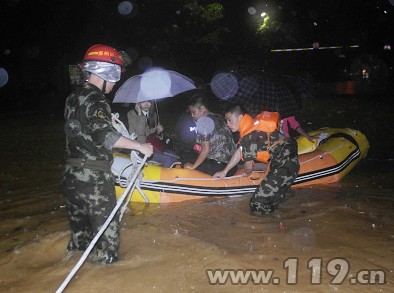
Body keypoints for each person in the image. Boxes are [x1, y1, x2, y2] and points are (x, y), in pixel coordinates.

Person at [62, 44, 153, 264]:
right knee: (107, 251)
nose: (115, 83)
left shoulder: (72, 98)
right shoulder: (96, 99)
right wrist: (140, 147)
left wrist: (105, 123)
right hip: (93, 182)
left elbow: (83, 131)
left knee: (79, 244)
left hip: (70, 179)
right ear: (105, 72)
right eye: (115, 76)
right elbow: (105, 137)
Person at [213, 104, 300, 215]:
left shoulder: (249, 135)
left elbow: (248, 166)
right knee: (272, 201)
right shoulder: (251, 130)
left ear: (240, 117)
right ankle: (280, 224)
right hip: (287, 160)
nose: (227, 124)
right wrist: (224, 171)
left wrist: (246, 172)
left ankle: (264, 229)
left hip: (284, 163)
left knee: (258, 203)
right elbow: (240, 151)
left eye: (229, 120)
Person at [184, 94, 237, 176]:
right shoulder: (219, 117)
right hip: (232, 167)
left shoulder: (203, 122)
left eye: (193, 112)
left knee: (185, 155)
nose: (192, 116)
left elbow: (206, 149)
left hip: (216, 167)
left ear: (202, 109)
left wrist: (193, 166)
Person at [127, 100, 178, 167]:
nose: (146, 104)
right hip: (140, 149)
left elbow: (150, 133)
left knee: (173, 155)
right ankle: (162, 176)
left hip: (153, 145)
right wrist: (140, 115)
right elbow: (139, 132)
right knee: (167, 159)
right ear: (138, 103)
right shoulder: (132, 114)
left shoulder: (153, 115)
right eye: (143, 102)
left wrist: (158, 131)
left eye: (148, 101)